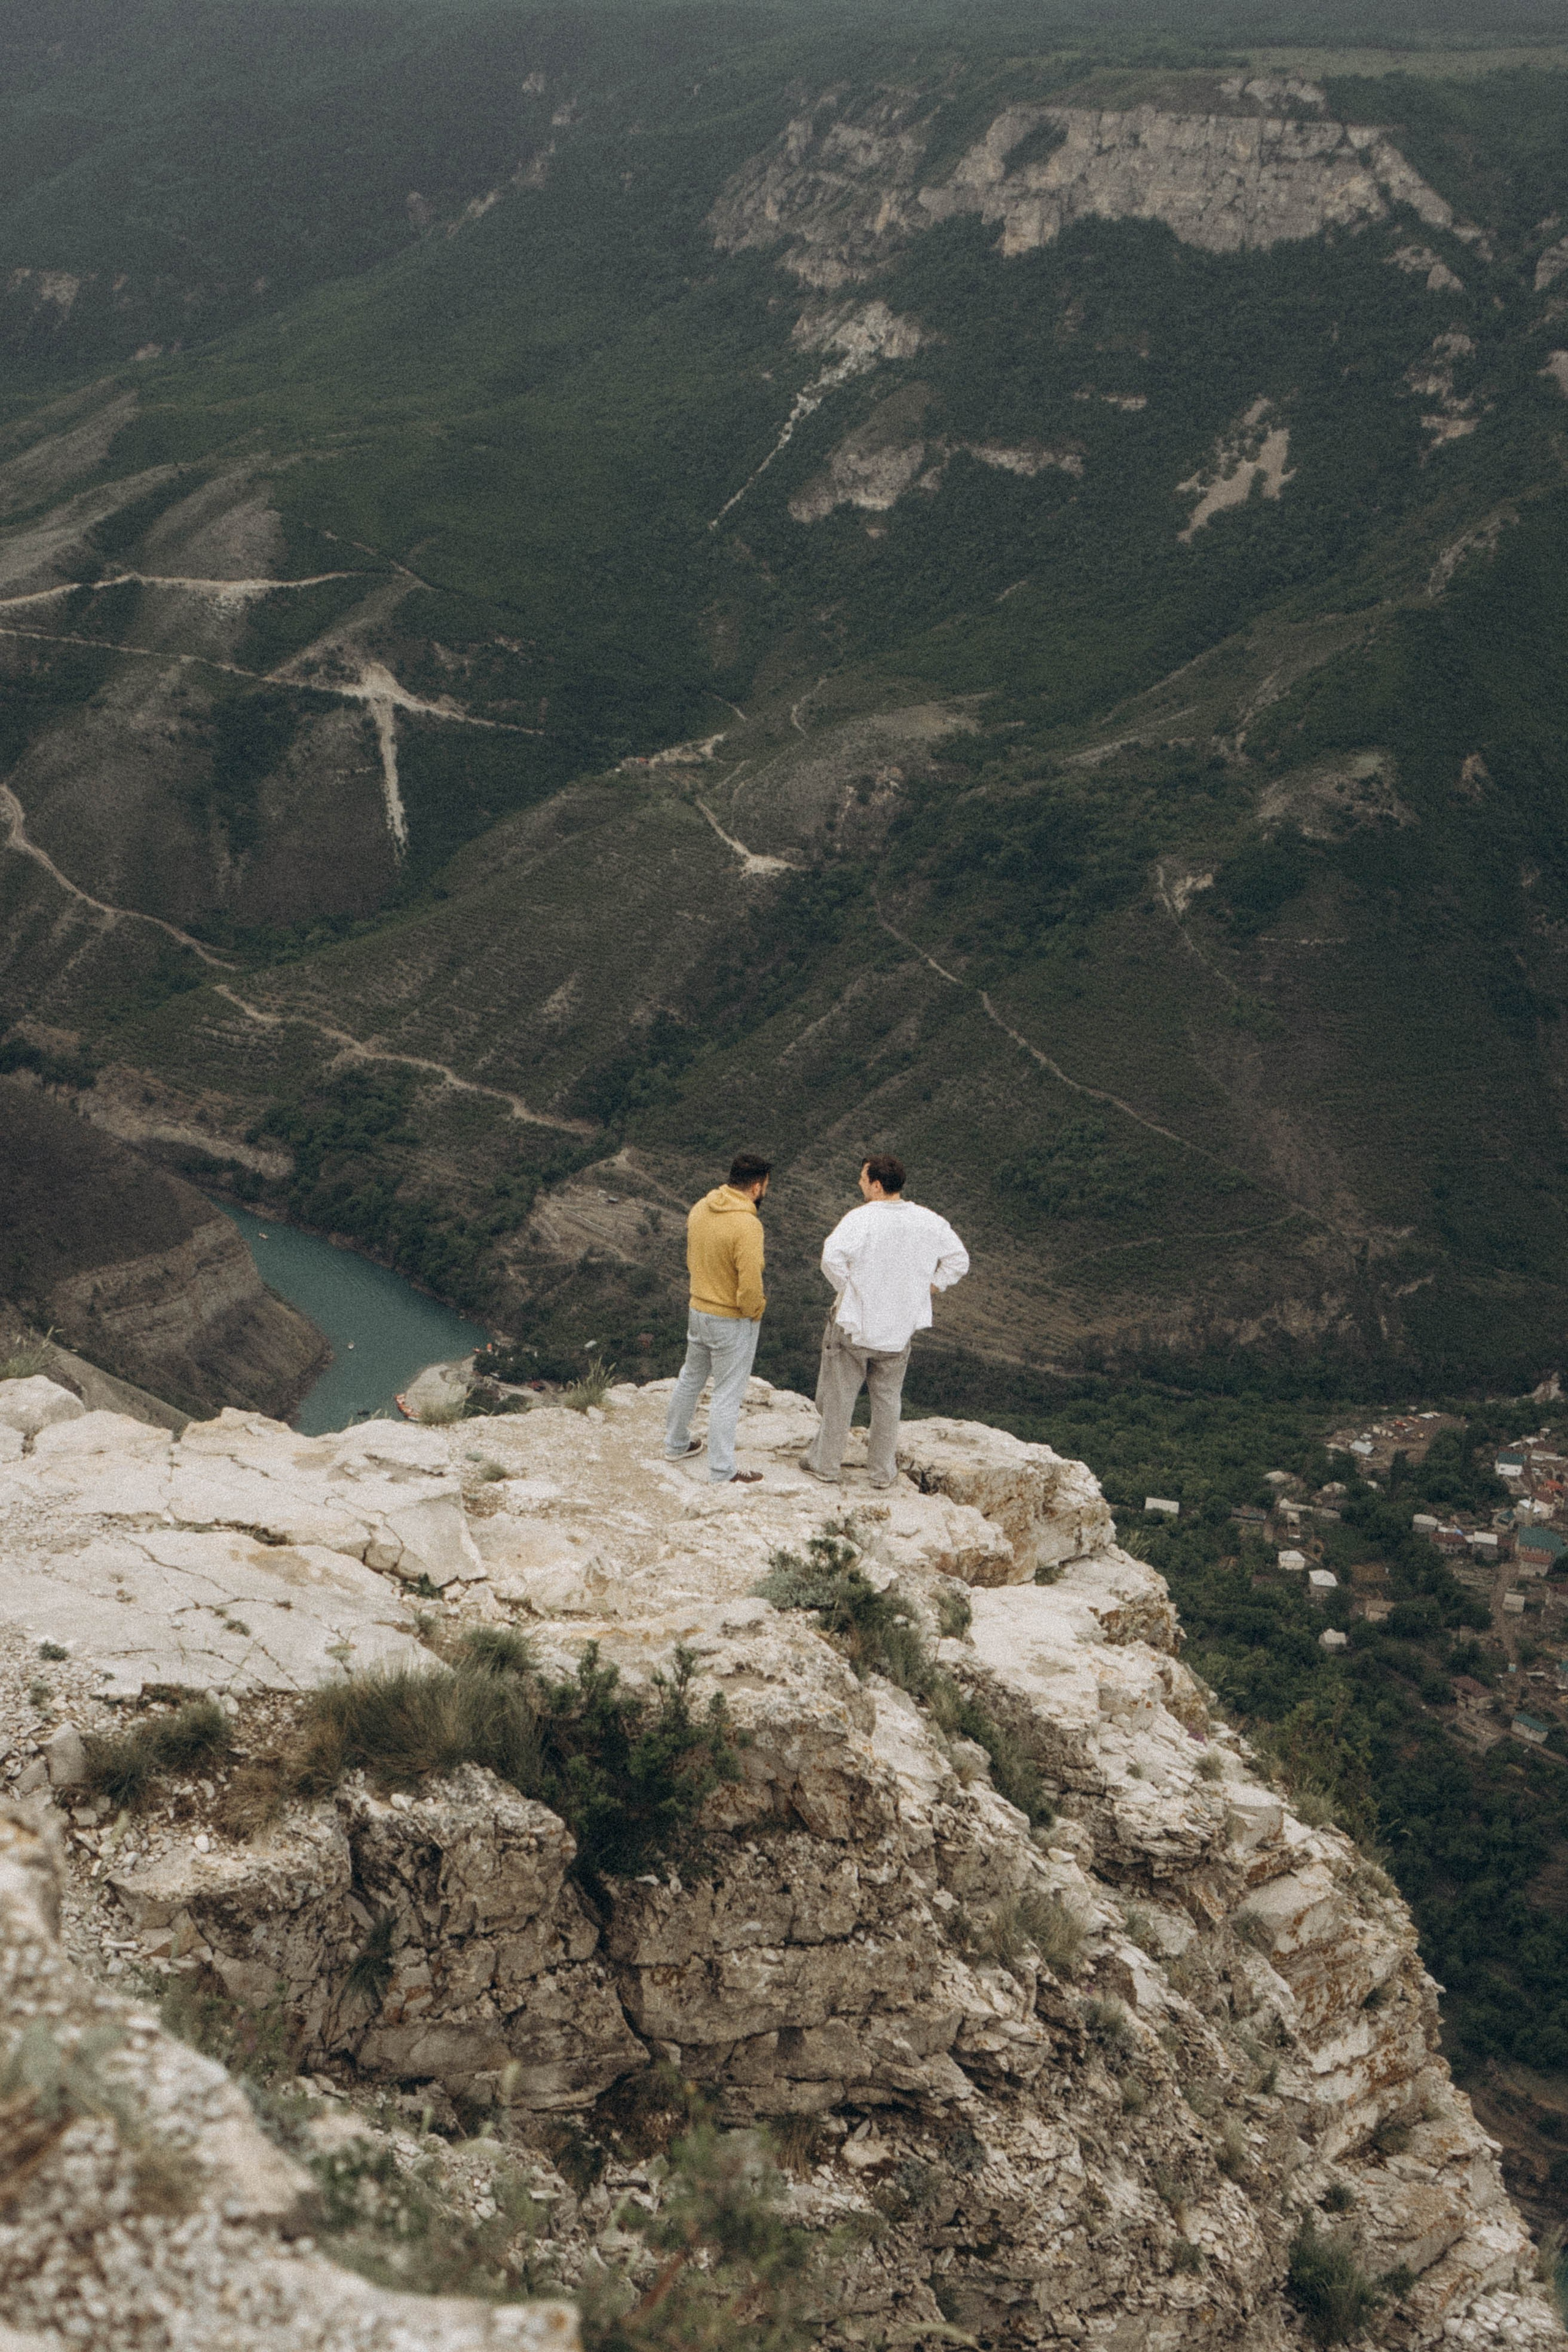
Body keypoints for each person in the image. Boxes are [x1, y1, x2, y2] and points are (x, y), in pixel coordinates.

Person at [800, 1155, 968, 1490]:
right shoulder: (929, 1221)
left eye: (863, 1179)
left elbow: (831, 1258)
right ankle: (881, 1472)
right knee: (888, 1401)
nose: (860, 1184)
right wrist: (930, 1287)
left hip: (855, 1324)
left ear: (876, 1185)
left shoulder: (861, 1219)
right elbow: (958, 1260)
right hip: (899, 1329)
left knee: (838, 1397)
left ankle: (826, 1465)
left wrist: (851, 1290)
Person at [663, 1153, 772, 1485]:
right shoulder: (747, 1225)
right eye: (766, 1186)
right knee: (727, 1394)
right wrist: (755, 1310)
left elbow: (692, 1258)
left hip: (699, 1308)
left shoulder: (700, 1208)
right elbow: (750, 1282)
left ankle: (676, 1443)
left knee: (691, 1378)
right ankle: (723, 1471)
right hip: (731, 1319)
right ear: (756, 1187)